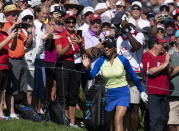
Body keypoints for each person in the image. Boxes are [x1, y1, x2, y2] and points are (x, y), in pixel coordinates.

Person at [82, 38, 148, 131]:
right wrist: (86, 68)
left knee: (118, 119)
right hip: (109, 94)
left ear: (114, 48)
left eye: (109, 46)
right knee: (111, 122)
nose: (106, 48)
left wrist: (141, 91)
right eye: (105, 46)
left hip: (123, 93)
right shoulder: (100, 61)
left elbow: (133, 76)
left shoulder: (123, 60)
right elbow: (90, 76)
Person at [55, 13, 83, 128]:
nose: (71, 24)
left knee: (74, 93)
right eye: (68, 22)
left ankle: (72, 122)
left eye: (73, 22)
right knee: (63, 93)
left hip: (76, 65)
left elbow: (83, 53)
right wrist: (70, 44)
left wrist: (80, 45)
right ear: (65, 24)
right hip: (64, 64)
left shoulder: (79, 35)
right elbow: (59, 53)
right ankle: (63, 120)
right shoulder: (60, 35)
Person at [142, 37, 171, 131]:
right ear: (155, 45)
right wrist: (165, 63)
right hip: (153, 93)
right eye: (161, 44)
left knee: (163, 119)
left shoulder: (163, 55)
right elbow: (150, 71)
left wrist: (168, 61)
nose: (163, 46)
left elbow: (170, 70)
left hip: (165, 92)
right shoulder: (147, 55)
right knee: (155, 119)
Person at [0, 13, 18, 120]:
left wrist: (14, 37)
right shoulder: (5, 35)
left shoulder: (4, 34)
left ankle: (1, 112)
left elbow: (12, 47)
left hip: (5, 66)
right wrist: (9, 37)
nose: (1, 26)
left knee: (2, 91)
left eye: (2, 24)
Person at [167, 30, 179, 131]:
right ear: (176, 39)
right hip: (174, 93)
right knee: (172, 123)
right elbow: (169, 73)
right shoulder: (170, 53)